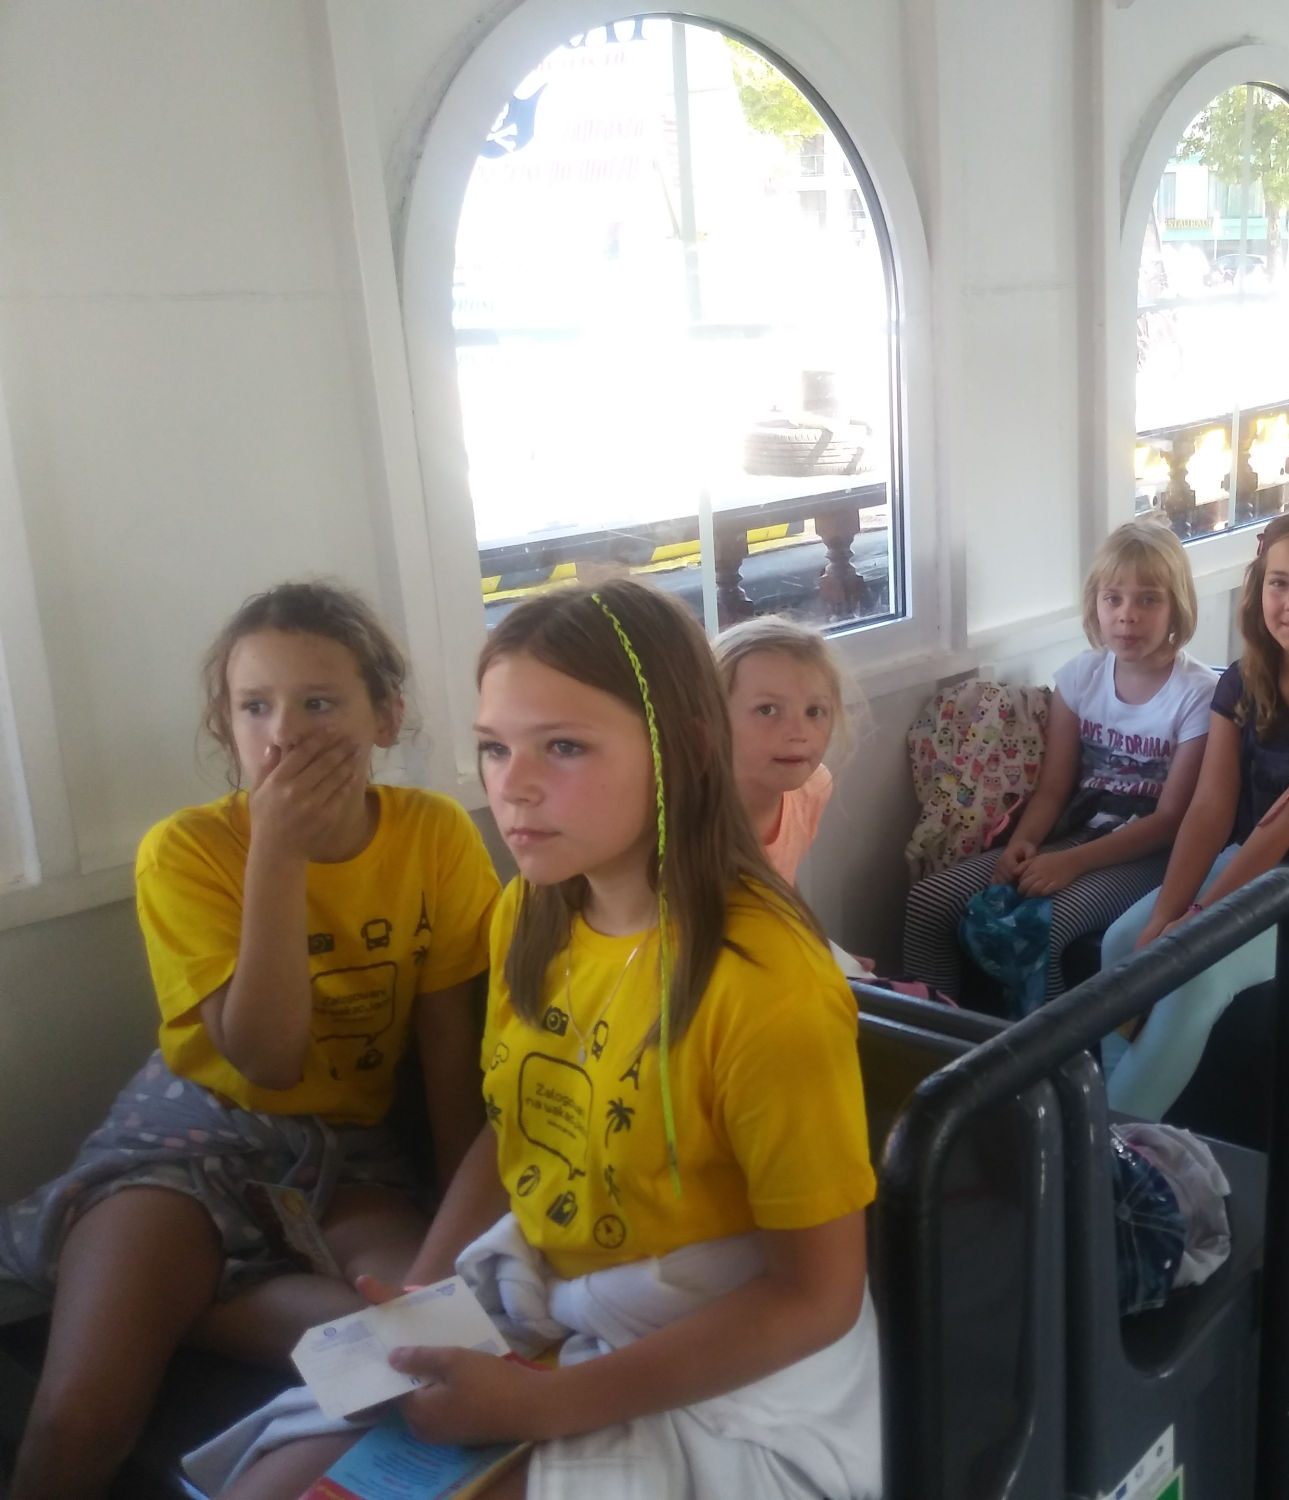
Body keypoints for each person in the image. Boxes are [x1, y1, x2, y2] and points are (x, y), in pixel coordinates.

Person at [215, 580, 879, 1500]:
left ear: (683, 750)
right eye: (495, 747)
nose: (512, 786)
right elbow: (516, 1128)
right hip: (555, 1304)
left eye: (563, 746)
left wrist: (539, 1407)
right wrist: (423, 1297)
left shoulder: (765, 984)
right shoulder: (530, 913)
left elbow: (815, 1298)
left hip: (726, 1366)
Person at [1, 582, 498, 1500]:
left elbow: (446, 1053)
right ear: (225, 726)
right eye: (255, 707)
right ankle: (163, 1287)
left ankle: (189, 1303)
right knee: (79, 1418)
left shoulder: (434, 836)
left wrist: (452, 1233)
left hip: (348, 1158)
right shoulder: (185, 851)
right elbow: (264, 1058)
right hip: (190, 1140)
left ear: (385, 717)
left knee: (436, 1346)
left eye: (320, 703)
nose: (285, 735)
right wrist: (277, 850)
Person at [1094, 508, 1289, 1120]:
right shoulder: (1243, 681)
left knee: (1195, 969)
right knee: (1122, 942)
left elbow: (1283, 824)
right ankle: (1111, 1116)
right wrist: (1164, 916)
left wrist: (1196, 924)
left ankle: (1115, 1143)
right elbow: (1211, 808)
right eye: (1279, 582)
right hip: (1250, 864)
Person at [902, 518, 1216, 1004]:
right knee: (929, 902)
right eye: (1113, 599)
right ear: (1094, 604)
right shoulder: (1079, 678)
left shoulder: (1199, 693)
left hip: (1151, 855)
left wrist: (1071, 863)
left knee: (1043, 925)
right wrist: (1022, 844)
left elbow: (1172, 820)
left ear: (1177, 606)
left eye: (1148, 600)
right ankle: (937, 1036)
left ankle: (1049, 1051)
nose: (1127, 616)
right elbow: (1053, 789)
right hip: (1079, 830)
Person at [713, 615, 853, 884]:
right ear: (713, 716)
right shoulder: (685, 818)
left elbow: (782, 882)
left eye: (814, 711)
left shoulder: (813, 789)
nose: (799, 733)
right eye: (767, 710)